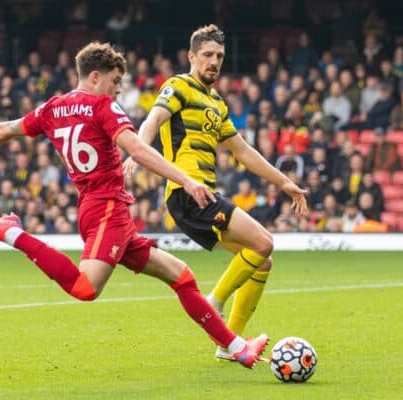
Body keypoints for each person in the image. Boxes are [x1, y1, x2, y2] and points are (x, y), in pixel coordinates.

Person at [0, 41, 268, 369]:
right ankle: (11, 234)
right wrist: (187, 180)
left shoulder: (52, 108)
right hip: (107, 209)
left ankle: (237, 348)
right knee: (85, 288)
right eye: (115, 81)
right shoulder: (102, 107)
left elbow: (4, 129)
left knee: (181, 276)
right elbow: (136, 149)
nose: (118, 90)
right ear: (95, 77)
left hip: (97, 209)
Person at [123, 25, 308, 361]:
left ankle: (228, 344)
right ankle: (215, 303)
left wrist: (284, 182)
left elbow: (243, 152)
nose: (214, 61)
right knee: (264, 241)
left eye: (219, 56)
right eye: (207, 55)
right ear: (192, 56)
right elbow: (154, 119)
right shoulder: (178, 86)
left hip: (202, 195)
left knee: (261, 261)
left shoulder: (216, 103)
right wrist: (137, 150)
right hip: (187, 191)